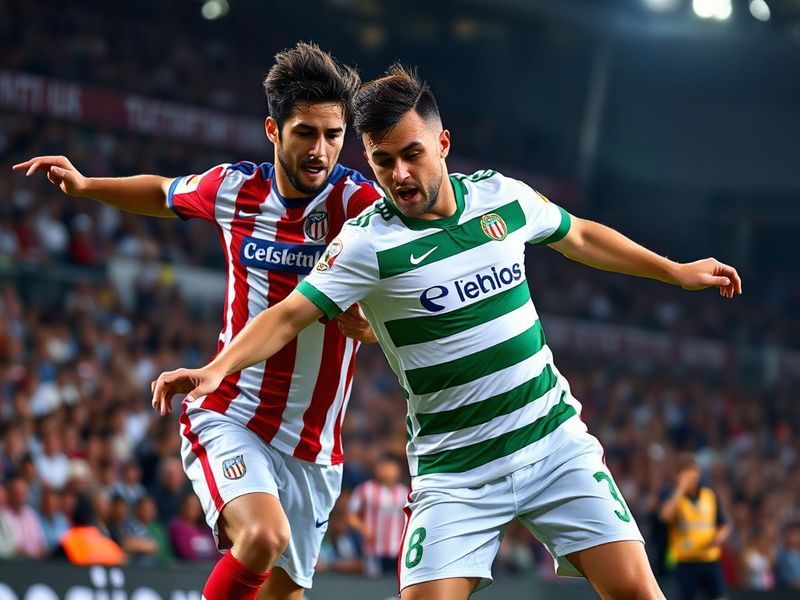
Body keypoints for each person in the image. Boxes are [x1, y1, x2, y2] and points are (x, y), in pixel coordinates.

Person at [150, 65, 742, 600]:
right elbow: (285, 316)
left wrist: (674, 270)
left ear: (443, 143)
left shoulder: (502, 198)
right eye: (382, 161)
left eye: (412, 154)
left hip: (553, 444)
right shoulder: (364, 242)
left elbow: (580, 235)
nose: (399, 174)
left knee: (639, 592)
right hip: (455, 472)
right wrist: (217, 369)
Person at [14, 42, 381, 600]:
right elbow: (163, 192)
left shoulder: (360, 205)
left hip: (314, 448)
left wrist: (372, 326)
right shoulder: (236, 189)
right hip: (230, 410)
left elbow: (399, 299)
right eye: (305, 132)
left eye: (333, 135)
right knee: (263, 535)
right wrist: (88, 186)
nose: (321, 150)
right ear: (273, 130)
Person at [659, 453, 731, 600]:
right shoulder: (672, 495)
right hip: (686, 561)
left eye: (692, 472)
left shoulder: (709, 494)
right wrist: (680, 489)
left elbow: (723, 523)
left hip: (709, 558)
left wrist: (720, 536)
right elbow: (665, 516)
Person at [347, 452, 410, 576]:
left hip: (398, 549)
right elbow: (350, 514)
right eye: (383, 467)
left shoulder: (405, 492)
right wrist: (363, 528)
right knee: (374, 582)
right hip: (373, 549)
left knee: (397, 581)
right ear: (377, 469)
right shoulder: (365, 490)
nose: (387, 471)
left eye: (391, 467)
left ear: (398, 470)